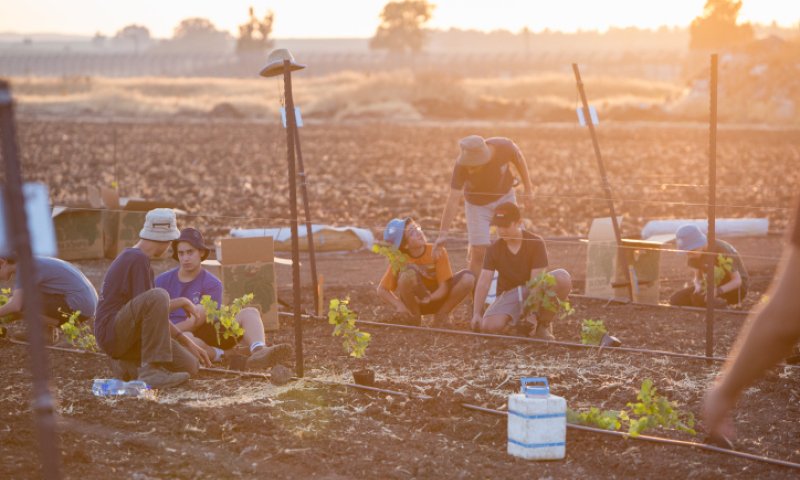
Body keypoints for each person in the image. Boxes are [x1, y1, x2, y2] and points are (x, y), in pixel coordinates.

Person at [703, 199, 800, 440]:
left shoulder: (722, 253)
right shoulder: (698, 256)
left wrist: (724, 392)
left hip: (733, 290)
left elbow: (785, 317)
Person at [94, 209, 211, 390]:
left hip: (127, 334)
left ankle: (128, 366)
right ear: (165, 239)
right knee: (159, 294)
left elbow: (152, 315)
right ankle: (151, 372)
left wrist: (187, 342)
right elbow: (154, 303)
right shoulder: (135, 258)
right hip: (112, 333)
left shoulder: (141, 260)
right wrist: (181, 302)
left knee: (190, 365)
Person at [155, 227, 291, 369]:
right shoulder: (162, 281)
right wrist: (170, 333)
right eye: (181, 253)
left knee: (250, 313)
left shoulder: (212, 283)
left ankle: (259, 351)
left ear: (201, 252)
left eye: (190, 252)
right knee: (187, 340)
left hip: (208, 329)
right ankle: (226, 354)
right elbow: (154, 313)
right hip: (180, 336)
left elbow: (200, 318)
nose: (185, 258)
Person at [434, 135, 533, 280]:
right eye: (468, 165)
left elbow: (519, 160)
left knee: (515, 239)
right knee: (479, 250)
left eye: (474, 166)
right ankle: (475, 294)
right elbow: (453, 199)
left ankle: (523, 283)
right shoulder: (461, 165)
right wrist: (443, 233)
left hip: (504, 196)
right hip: (476, 205)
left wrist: (528, 189)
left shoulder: (504, 147)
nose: (470, 169)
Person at [472, 202, 572, 339]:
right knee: (488, 326)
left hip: (533, 289)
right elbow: (484, 280)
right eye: (498, 226)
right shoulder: (494, 248)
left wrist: (532, 312)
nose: (501, 230)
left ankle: (543, 325)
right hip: (509, 294)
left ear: (518, 222)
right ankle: (517, 327)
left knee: (562, 278)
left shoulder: (535, 243)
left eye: (506, 226)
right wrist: (476, 313)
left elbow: (536, 282)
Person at [376, 217, 475, 327]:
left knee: (468, 278)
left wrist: (429, 299)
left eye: (417, 228)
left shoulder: (437, 251)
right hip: (414, 302)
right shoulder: (400, 260)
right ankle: (415, 317)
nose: (418, 232)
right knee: (407, 274)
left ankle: (442, 315)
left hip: (438, 298)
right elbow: (382, 290)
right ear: (405, 245)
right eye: (412, 232)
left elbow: (444, 287)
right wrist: (399, 305)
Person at [0, 255, 98, 341]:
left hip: (79, 306)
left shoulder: (25, 269)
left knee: (22, 303)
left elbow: (16, 305)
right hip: (87, 304)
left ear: (2, 262)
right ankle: (46, 334)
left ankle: (48, 332)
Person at [670, 224, 749, 308]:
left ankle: (721, 304)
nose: (689, 255)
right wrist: (698, 285)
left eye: (692, 250)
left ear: (700, 243)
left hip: (734, 289)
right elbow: (697, 278)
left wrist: (717, 291)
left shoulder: (720, 249)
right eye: (686, 252)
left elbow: (737, 281)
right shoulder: (694, 255)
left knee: (702, 300)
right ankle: (710, 303)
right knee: (676, 299)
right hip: (711, 286)